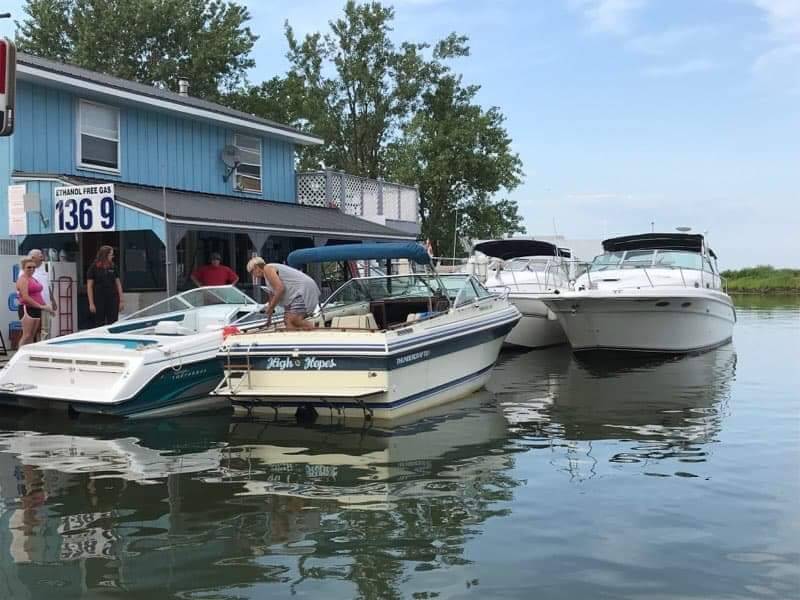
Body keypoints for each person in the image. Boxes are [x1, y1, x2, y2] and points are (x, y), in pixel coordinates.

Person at [246, 257, 319, 331]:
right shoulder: (267, 279)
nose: (253, 275)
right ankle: (295, 339)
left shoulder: (267, 268)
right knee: (287, 320)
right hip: (295, 294)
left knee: (294, 319)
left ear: (256, 267)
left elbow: (280, 289)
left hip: (303, 289)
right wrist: (269, 320)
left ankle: (315, 333)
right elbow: (272, 298)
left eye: (252, 272)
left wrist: (271, 307)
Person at [15, 258, 56, 347]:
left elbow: (38, 295)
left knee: (32, 335)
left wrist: (47, 307)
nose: (32, 269)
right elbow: (25, 297)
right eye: (29, 267)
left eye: (33, 267)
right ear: (23, 268)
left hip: (36, 308)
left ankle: (27, 354)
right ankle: (18, 355)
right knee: (26, 335)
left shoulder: (33, 278)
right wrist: (42, 307)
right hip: (27, 308)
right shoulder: (23, 279)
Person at [87, 245, 124, 326]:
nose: (112, 256)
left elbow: (118, 284)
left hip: (112, 298)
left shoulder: (113, 266)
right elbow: (89, 286)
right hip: (99, 298)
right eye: (111, 255)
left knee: (113, 321)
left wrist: (121, 300)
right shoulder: (94, 267)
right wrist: (91, 303)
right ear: (105, 255)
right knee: (99, 321)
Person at [28, 249, 58, 340]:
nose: (42, 257)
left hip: (46, 304)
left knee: (46, 329)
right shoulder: (27, 270)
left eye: (42, 255)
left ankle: (43, 349)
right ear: (33, 258)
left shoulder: (42, 269)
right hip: (35, 305)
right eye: (40, 256)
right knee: (33, 330)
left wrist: (53, 300)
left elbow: (47, 286)